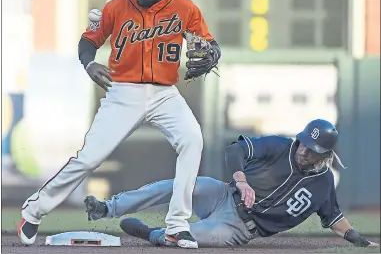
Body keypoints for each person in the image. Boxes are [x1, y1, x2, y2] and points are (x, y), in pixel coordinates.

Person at [18, 0, 221, 249]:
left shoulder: (185, 8)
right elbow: (88, 41)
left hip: (165, 94)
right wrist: (89, 64)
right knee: (90, 158)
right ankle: (32, 212)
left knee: (192, 140)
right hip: (124, 91)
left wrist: (213, 52)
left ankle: (177, 225)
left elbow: (209, 43)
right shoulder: (117, 5)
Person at [84, 119, 379, 248]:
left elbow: (334, 217)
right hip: (223, 195)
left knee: (185, 240)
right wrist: (241, 180)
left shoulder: (324, 183)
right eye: (303, 143)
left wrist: (359, 240)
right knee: (180, 185)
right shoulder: (280, 146)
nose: (303, 150)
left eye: (311, 150)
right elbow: (235, 149)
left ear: (325, 154)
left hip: (239, 229)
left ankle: (153, 234)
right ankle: (107, 208)